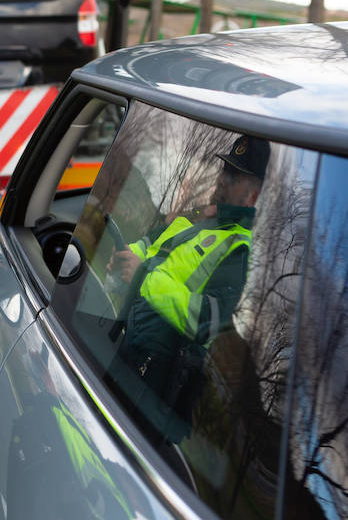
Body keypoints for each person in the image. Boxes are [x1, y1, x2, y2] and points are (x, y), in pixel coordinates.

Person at [108, 135, 269, 437]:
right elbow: (151, 246)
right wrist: (124, 258)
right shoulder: (196, 219)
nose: (222, 180)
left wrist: (142, 277)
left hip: (153, 383)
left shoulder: (238, 251)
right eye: (224, 170)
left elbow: (205, 318)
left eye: (234, 176)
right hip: (124, 347)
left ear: (252, 196)